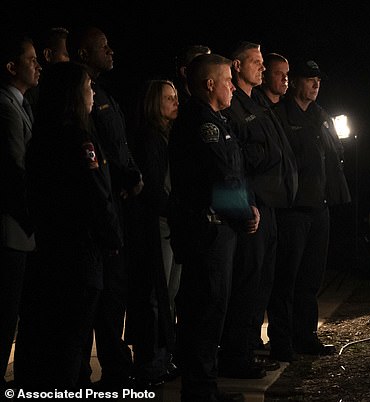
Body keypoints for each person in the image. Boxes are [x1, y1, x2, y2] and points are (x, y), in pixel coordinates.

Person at [14, 61, 122, 390]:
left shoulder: (42, 138)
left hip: (48, 252)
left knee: (48, 343)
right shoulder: (79, 139)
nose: (93, 94)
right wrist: (113, 237)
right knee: (70, 345)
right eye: (88, 88)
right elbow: (94, 195)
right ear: (75, 94)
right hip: (79, 254)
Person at [169, 53, 259, 402]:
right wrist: (245, 214)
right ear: (210, 85)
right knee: (205, 310)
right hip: (206, 232)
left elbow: (235, 172)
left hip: (218, 229)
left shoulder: (214, 120)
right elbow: (218, 177)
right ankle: (200, 389)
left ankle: (204, 385)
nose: (233, 87)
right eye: (227, 81)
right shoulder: (201, 122)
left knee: (212, 308)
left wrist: (248, 204)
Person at [69, 26, 143, 389]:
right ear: (83, 54)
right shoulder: (79, 98)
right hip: (101, 210)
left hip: (116, 204)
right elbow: (99, 153)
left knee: (113, 298)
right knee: (99, 297)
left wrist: (132, 176)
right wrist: (123, 180)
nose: (111, 51)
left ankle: (116, 369)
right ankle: (84, 378)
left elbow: (118, 147)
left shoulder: (105, 96)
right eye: (103, 47)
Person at [220, 42, 297, 378]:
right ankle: (235, 355)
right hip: (250, 204)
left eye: (263, 62)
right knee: (246, 283)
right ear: (236, 66)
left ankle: (248, 347)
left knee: (262, 282)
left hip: (269, 205)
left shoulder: (257, 102)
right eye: (255, 62)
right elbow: (237, 157)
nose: (262, 68)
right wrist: (269, 156)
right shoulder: (232, 104)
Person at [268, 59, 350, 362]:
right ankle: (281, 339)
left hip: (319, 207)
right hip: (293, 208)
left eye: (319, 80)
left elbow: (335, 154)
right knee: (287, 276)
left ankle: (305, 335)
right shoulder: (279, 115)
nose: (316, 85)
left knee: (312, 277)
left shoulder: (322, 116)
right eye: (309, 79)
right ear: (295, 82)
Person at [125, 80, 180, 387]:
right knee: (155, 295)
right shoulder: (149, 138)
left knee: (168, 294)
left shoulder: (166, 136)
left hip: (168, 219)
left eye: (176, 97)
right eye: (169, 98)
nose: (176, 102)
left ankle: (162, 355)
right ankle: (150, 360)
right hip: (159, 222)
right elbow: (154, 187)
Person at [0, 33, 39, 393]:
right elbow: (16, 170)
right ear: (12, 67)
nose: (37, 64)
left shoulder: (22, 105)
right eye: (30, 59)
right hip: (11, 230)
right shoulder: (6, 106)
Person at [25, 26, 69, 116]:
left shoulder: (62, 87)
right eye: (66, 55)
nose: (69, 60)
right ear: (48, 55)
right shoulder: (34, 93)